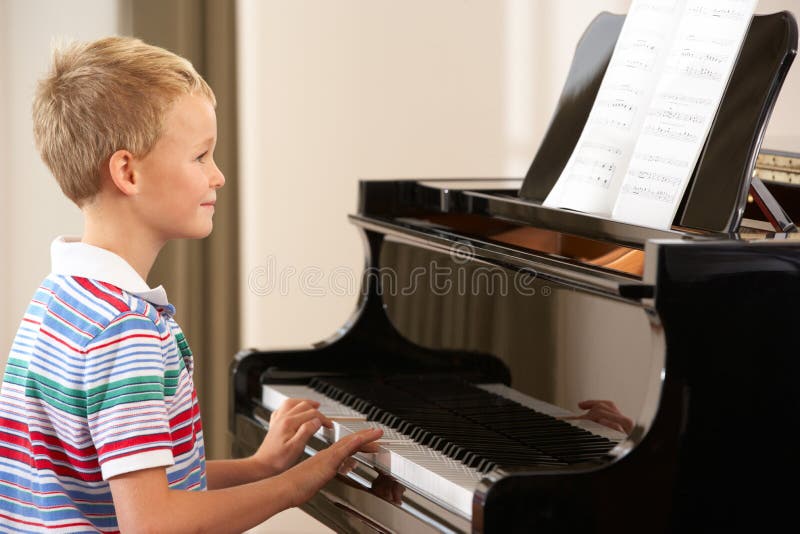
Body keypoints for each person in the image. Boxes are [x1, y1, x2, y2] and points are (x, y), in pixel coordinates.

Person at [0, 36, 382, 532]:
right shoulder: (124, 330)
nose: (217, 176)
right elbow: (155, 524)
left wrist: (259, 468)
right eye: (201, 156)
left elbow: (134, 484)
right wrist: (294, 487)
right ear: (127, 172)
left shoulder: (59, 300)